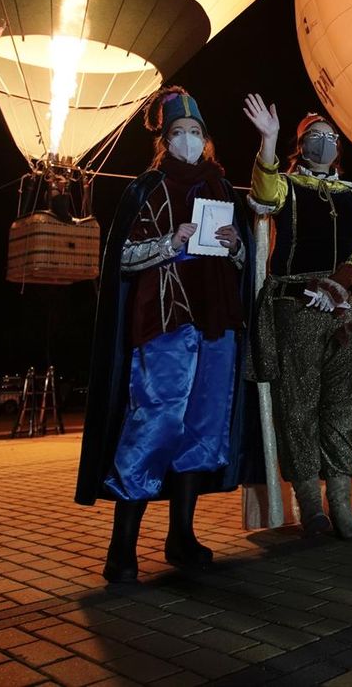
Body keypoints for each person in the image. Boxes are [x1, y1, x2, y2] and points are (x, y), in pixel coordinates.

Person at [74, 87, 251, 582]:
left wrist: (237, 247)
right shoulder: (147, 187)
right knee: (154, 425)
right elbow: (122, 260)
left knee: (203, 429)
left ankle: (182, 536)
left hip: (218, 324)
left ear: (207, 140)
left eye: (196, 133)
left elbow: (244, 260)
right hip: (167, 323)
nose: (189, 140)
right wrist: (167, 244)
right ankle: (122, 546)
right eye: (179, 133)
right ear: (164, 140)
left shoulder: (221, 188)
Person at [241, 94, 352, 539]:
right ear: (300, 145)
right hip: (296, 307)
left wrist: (340, 282)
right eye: (315, 137)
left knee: (341, 407)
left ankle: (340, 504)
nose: (325, 142)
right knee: (298, 406)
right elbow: (263, 195)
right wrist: (267, 140)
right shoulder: (286, 184)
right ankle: (310, 507)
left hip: (346, 308)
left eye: (331, 137)